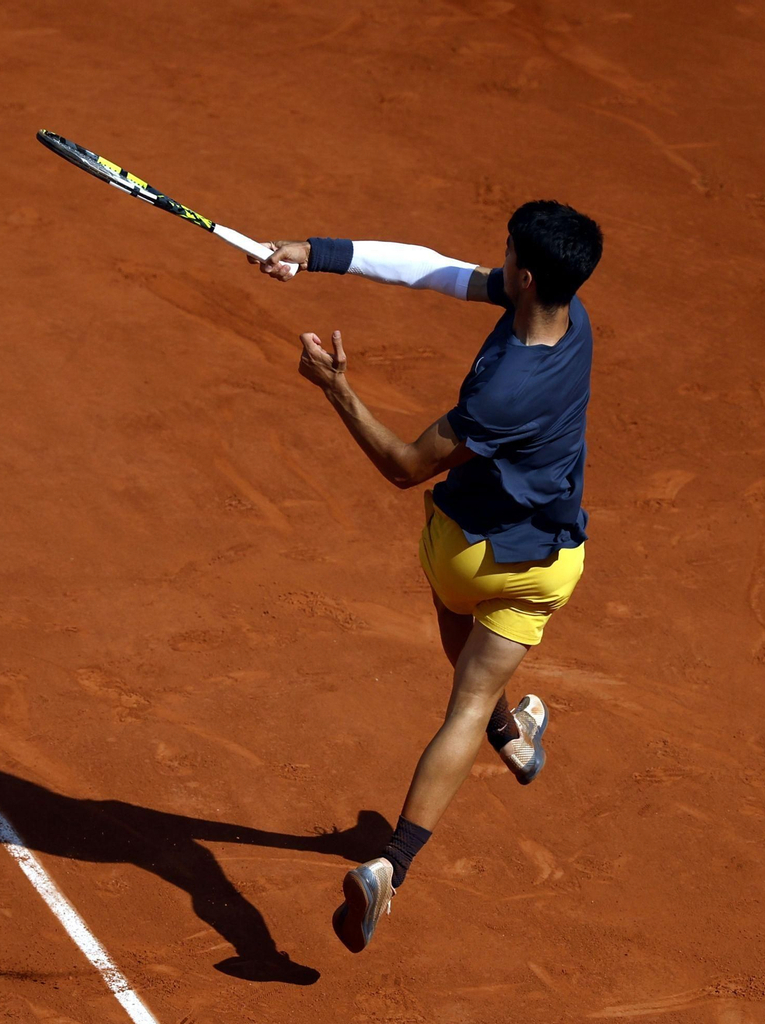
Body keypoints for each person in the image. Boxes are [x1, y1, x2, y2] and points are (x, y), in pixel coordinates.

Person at [249, 201, 603, 952]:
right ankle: (393, 865)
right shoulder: (574, 322)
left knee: (463, 637)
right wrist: (312, 250)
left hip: (460, 557)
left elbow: (406, 465)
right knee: (469, 702)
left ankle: (508, 737)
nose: (497, 259)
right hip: (540, 568)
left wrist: (335, 387)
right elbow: (434, 270)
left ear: (526, 275)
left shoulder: (503, 389)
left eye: (506, 252)